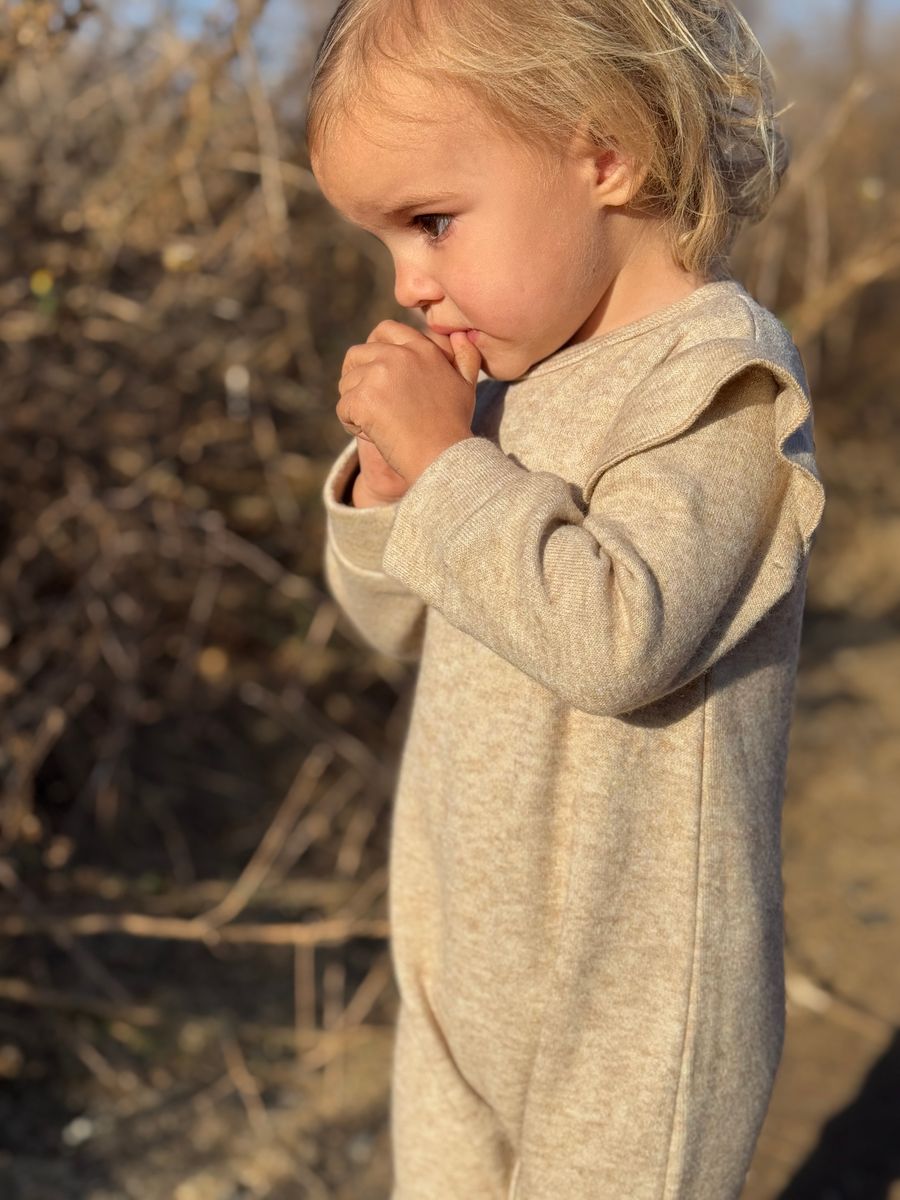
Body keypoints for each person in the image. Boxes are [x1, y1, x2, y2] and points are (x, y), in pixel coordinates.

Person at [307, 1, 825, 1196]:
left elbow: (617, 640)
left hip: (632, 1014)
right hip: (458, 964)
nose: (411, 282)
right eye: (386, 244)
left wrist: (447, 471)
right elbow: (392, 620)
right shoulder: (503, 382)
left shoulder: (718, 391)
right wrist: (391, 487)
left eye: (431, 222)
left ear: (604, 155)